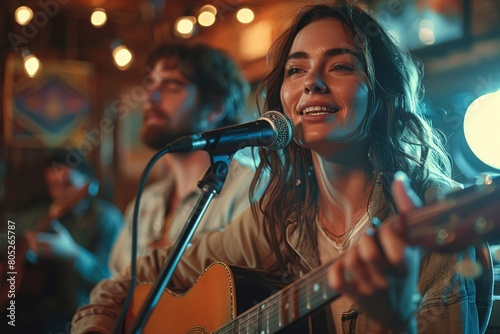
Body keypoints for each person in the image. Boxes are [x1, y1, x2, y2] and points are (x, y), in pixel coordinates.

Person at [72, 2, 493, 333]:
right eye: (296, 69)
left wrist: (391, 320)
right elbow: (130, 280)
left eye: (341, 65)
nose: (313, 80)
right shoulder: (279, 214)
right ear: (283, 100)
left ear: (382, 93)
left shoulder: (433, 212)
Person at [108, 42, 264, 275]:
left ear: (214, 108)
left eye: (171, 85)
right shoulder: (144, 203)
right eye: (151, 83)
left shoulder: (252, 188)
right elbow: (115, 284)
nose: (151, 96)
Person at [2, 149, 123, 333]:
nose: (60, 194)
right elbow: (7, 237)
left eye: (68, 184)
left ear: (89, 183)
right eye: (53, 186)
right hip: (39, 309)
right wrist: (18, 255)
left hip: (84, 314)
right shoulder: (40, 216)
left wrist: (73, 255)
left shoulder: (107, 219)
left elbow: (114, 281)